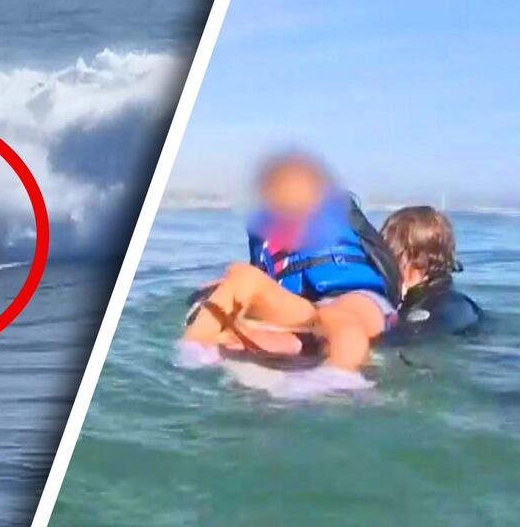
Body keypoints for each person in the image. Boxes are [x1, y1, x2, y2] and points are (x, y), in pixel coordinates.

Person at [182, 152, 399, 372]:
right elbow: (261, 277)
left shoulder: (337, 213)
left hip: (357, 299)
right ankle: (191, 351)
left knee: (335, 318)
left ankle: (340, 375)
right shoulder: (268, 230)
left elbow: (385, 262)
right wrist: (226, 286)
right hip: (303, 312)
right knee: (240, 274)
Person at [379, 206, 481, 342]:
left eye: (388, 253)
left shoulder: (436, 309)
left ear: (414, 257)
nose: (381, 262)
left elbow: (403, 341)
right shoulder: (460, 303)